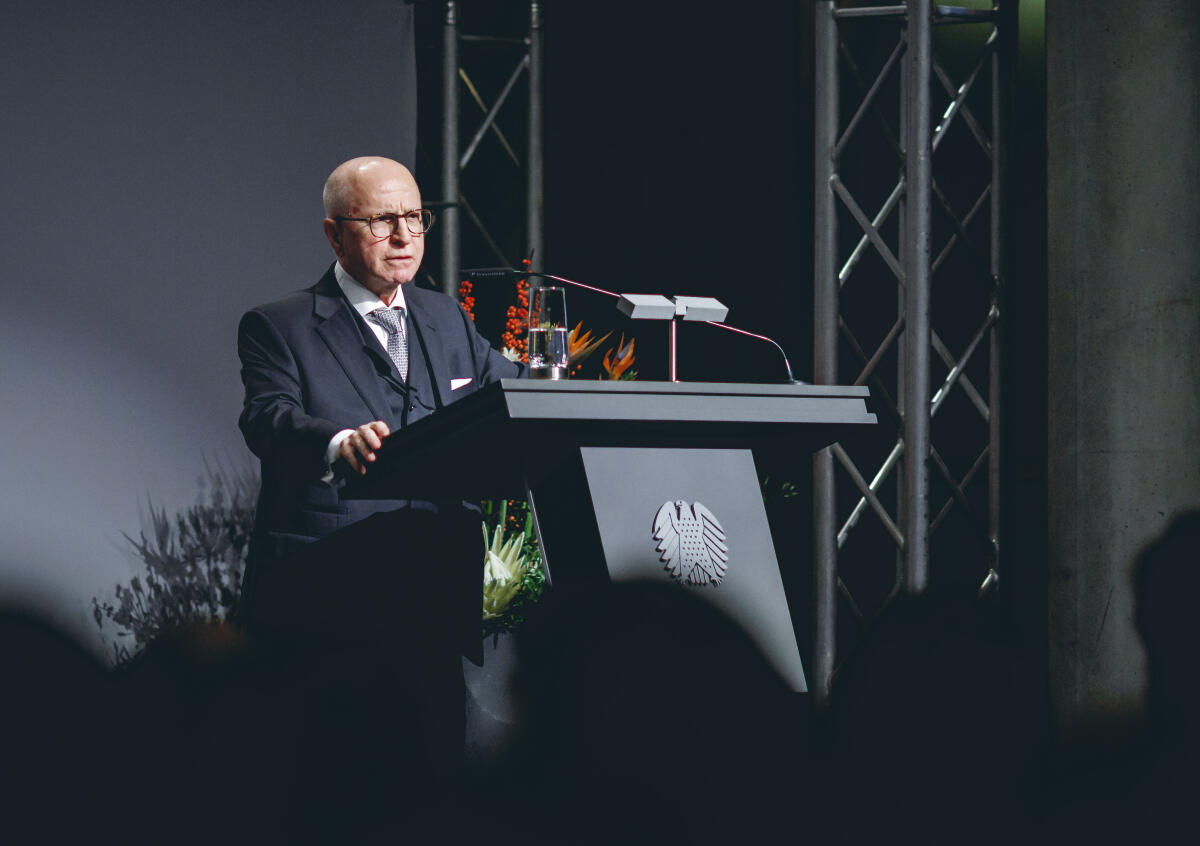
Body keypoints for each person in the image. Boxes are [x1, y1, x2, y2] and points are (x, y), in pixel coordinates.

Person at [235, 157, 523, 785]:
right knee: (328, 793)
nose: (403, 237)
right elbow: (267, 417)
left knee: (432, 791)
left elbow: (515, 395)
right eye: (382, 221)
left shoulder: (446, 318)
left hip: (431, 605)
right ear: (334, 233)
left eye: (415, 219)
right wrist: (337, 443)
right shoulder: (279, 325)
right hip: (328, 604)